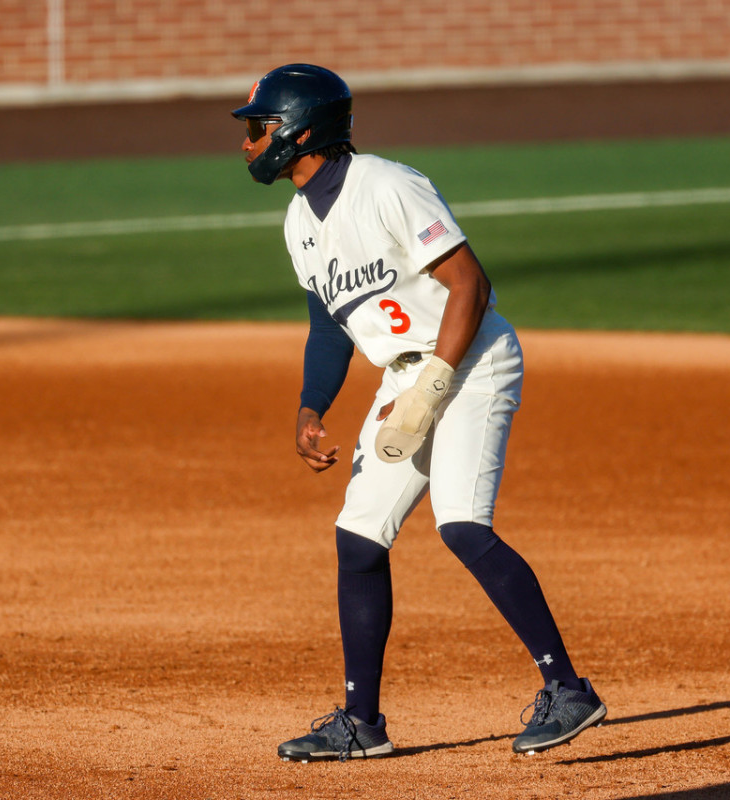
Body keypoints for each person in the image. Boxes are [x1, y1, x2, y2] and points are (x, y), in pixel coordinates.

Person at [232, 64, 607, 762]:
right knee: (358, 539)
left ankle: (570, 689)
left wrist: (433, 385)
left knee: (463, 526)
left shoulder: (386, 185)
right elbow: (328, 326)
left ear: (300, 131)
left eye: (258, 128)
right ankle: (362, 724)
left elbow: (470, 282)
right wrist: (312, 405)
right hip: (405, 379)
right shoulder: (298, 221)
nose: (248, 142)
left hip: (469, 361)